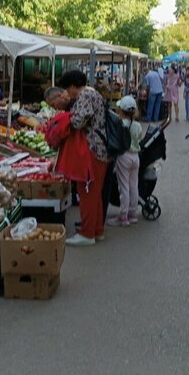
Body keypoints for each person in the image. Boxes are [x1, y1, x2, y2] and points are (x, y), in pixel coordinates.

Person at [59, 70, 109, 247]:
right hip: (101, 150)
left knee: (86, 192)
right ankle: (97, 230)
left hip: (92, 149)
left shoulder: (85, 95)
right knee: (95, 193)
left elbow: (78, 121)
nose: (67, 93)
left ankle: (87, 234)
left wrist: (63, 119)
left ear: (73, 86)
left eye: (67, 89)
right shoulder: (93, 92)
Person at [108, 96, 143, 227]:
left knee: (124, 187)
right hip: (135, 157)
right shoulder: (138, 126)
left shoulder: (120, 124)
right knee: (134, 185)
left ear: (121, 111)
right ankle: (132, 213)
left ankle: (123, 215)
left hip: (124, 156)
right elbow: (139, 138)